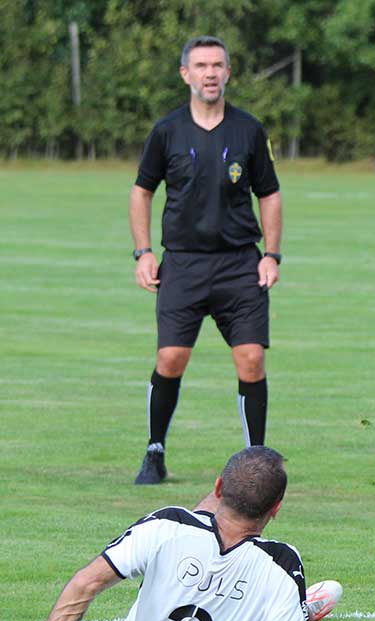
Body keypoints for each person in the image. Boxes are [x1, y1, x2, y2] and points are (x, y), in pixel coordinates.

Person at [20, 446, 347, 621]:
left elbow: (85, 584)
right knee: (265, 599)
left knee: (201, 526)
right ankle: (297, 613)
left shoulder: (166, 524)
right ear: (276, 508)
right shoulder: (282, 561)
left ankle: (294, 611)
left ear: (217, 488)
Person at [130, 36, 284, 484]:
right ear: (186, 74)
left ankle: (256, 463)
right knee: (171, 357)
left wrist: (271, 255)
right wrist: (144, 252)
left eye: (217, 65)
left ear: (228, 73)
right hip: (183, 263)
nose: (210, 73)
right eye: (201, 66)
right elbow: (141, 191)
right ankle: (155, 451)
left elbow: (270, 194)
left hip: (239, 263)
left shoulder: (248, 129)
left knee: (251, 359)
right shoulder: (167, 131)